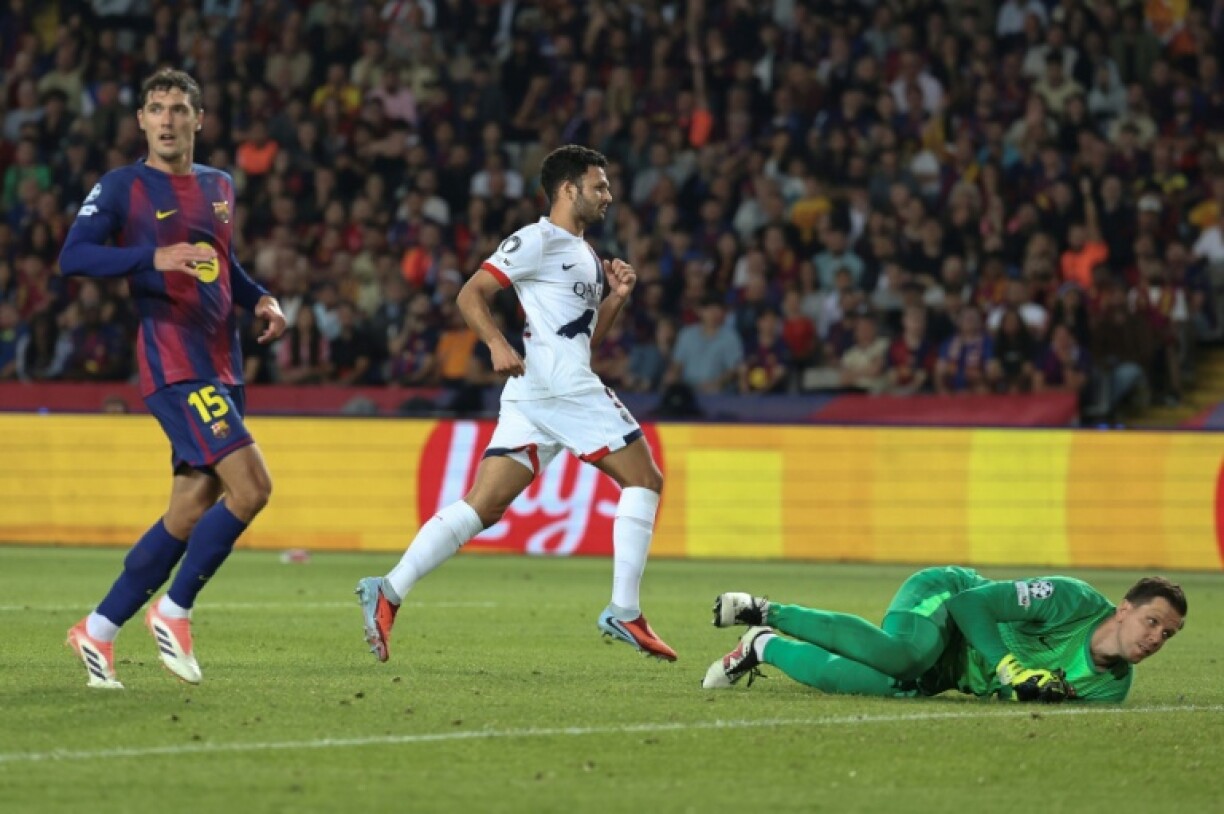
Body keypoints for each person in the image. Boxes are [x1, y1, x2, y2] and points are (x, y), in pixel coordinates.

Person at [356, 145, 676, 663]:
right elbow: (470, 294)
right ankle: (625, 609)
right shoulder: (537, 239)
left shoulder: (587, 255)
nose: (609, 196)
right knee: (645, 480)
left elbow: (583, 342)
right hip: (561, 388)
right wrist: (495, 343)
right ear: (568, 189)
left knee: (483, 506)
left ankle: (387, 590)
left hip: (538, 392)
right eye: (599, 186)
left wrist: (615, 298)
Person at [56, 69, 287, 689]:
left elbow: (223, 263)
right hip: (174, 364)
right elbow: (73, 256)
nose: (167, 119)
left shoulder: (219, 185)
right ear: (140, 120)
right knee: (252, 487)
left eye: (179, 109)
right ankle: (175, 610)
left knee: (188, 511)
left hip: (223, 365)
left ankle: (99, 628)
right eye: (156, 108)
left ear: (198, 120)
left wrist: (261, 298)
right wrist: (151, 256)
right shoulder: (123, 186)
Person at [702, 567, 1185, 703]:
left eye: (1168, 634)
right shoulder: (1071, 600)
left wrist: (1029, 692)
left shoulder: (1112, 689)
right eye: (1152, 622)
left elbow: (1025, 699)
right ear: (1124, 609)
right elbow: (970, 604)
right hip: (948, 599)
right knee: (906, 657)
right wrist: (1010, 667)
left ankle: (761, 645)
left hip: (959, 669)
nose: (1157, 639)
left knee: (878, 687)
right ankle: (765, 610)